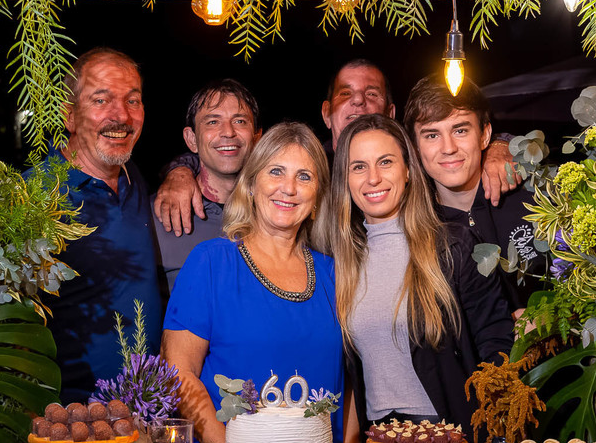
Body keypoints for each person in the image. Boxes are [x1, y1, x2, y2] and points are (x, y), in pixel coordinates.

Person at [321, 114, 513, 443]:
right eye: (358, 167)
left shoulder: (453, 245)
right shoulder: (337, 262)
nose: (373, 178)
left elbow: (497, 345)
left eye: (386, 162)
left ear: (408, 170)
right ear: (344, 180)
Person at [154, 59, 523, 236]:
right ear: (327, 113)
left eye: (371, 94)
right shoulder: (311, 164)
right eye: (346, 94)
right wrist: (181, 169)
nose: (359, 103)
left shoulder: (418, 162)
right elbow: (247, 156)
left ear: (390, 114)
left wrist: (501, 147)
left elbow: (455, 144)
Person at [161, 122, 342, 443]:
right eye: (276, 171)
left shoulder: (335, 275)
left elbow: (347, 387)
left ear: (318, 196)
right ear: (252, 183)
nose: (288, 189)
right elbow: (178, 374)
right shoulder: (212, 263)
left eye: (304, 177)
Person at [38, 48, 162, 402]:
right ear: (69, 115)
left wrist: (179, 171)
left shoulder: (132, 178)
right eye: (101, 100)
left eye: (132, 100)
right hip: (73, 420)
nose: (120, 115)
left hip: (144, 410)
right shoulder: (36, 197)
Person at [403, 74, 547, 315]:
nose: (448, 148)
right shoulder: (415, 230)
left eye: (460, 130)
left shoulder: (534, 196)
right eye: (432, 135)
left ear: (485, 135)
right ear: (416, 148)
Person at [154, 79, 262, 294]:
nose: (228, 132)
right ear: (191, 139)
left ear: (257, 137)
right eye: (212, 122)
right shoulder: (156, 216)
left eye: (240, 121)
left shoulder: (279, 213)